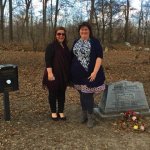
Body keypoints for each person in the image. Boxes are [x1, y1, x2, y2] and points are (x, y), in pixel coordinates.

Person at [71, 22, 105, 128]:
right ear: (79, 31)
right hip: (77, 75)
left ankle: (91, 117)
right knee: (82, 94)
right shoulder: (76, 41)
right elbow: (72, 56)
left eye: (86, 29)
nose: (84, 31)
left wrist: (94, 72)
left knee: (87, 95)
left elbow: (99, 57)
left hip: (90, 74)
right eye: (82, 30)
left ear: (89, 31)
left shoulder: (95, 42)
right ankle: (84, 114)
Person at [43, 27, 70, 121]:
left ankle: (61, 111)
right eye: (59, 34)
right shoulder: (51, 46)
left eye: (63, 34)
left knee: (62, 93)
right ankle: (54, 112)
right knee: (53, 93)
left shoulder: (66, 47)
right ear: (55, 35)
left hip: (63, 75)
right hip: (53, 74)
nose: (61, 36)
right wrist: (50, 73)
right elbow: (48, 61)